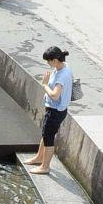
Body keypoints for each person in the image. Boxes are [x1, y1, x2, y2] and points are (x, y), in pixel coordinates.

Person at [30, 46, 72, 175]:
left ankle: (45, 166)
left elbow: (55, 95)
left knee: (48, 137)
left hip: (55, 111)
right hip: (56, 110)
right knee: (46, 133)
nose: (48, 64)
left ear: (55, 60)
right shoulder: (63, 66)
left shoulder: (62, 75)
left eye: (49, 61)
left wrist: (45, 84)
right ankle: (38, 158)